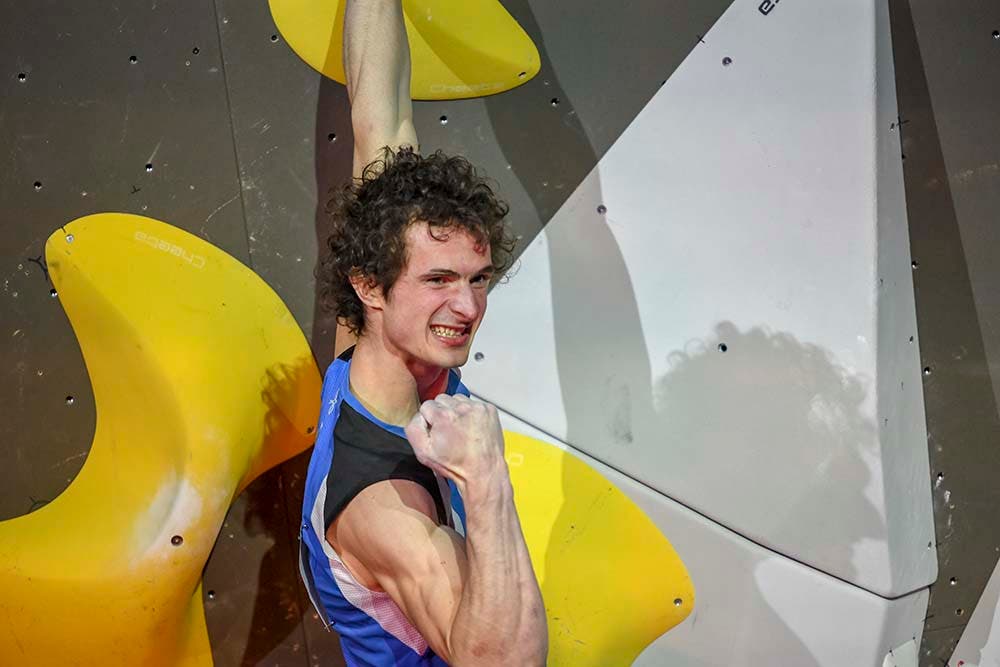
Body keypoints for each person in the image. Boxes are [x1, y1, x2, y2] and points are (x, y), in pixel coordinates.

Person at [298, 1, 548, 665]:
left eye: (478, 279)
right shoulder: (382, 502)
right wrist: (487, 480)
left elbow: (378, 106)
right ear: (371, 284)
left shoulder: (370, 343)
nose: (466, 307)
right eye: (440, 280)